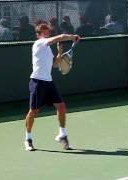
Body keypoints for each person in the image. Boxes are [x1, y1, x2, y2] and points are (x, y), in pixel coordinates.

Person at [24, 23, 80, 151]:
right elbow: (59, 37)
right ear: (38, 35)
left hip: (49, 82)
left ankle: (62, 134)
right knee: (33, 111)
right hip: (37, 81)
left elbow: (55, 64)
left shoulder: (47, 48)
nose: (47, 34)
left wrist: (60, 52)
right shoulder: (39, 43)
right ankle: (28, 139)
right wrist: (73, 37)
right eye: (44, 32)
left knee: (61, 106)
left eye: (47, 32)